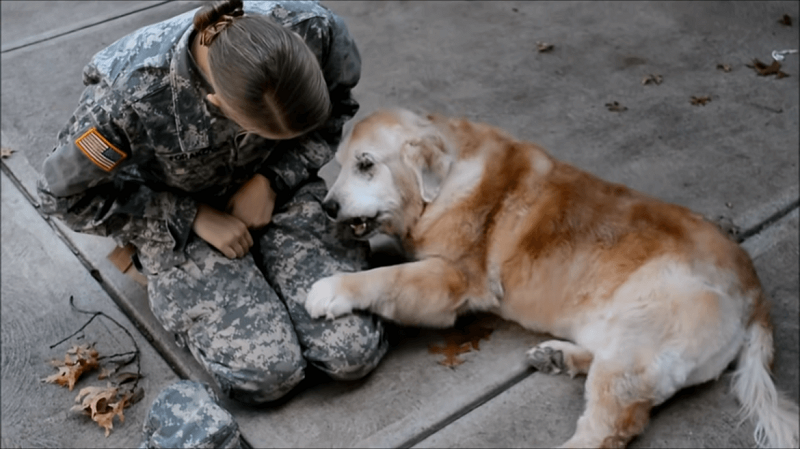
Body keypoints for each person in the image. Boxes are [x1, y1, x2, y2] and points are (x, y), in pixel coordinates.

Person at [37, 0, 387, 412]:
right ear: (218, 106)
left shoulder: (315, 30)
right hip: (177, 216)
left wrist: (273, 179)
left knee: (352, 354)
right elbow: (60, 197)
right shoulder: (124, 101)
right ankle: (144, 261)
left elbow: (337, 107)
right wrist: (191, 216)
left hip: (275, 188)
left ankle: (258, 261)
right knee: (269, 377)